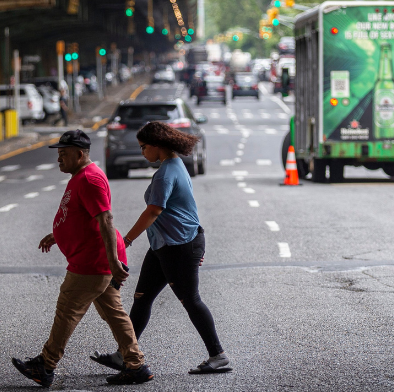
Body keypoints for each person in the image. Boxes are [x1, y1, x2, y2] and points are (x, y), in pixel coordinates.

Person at [12, 130, 154, 387]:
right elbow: (82, 215)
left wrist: (112, 261)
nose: (59, 159)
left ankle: (45, 365)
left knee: (67, 310)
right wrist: (58, 233)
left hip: (92, 262)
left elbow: (106, 219)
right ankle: (136, 365)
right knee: (114, 313)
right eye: (58, 154)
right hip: (94, 259)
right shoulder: (80, 176)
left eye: (63, 154)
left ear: (79, 154)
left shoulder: (90, 179)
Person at [90, 121, 232, 375]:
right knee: (141, 298)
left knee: (191, 300)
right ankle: (125, 354)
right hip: (164, 245)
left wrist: (127, 240)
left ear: (158, 145)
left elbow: (154, 210)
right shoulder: (172, 166)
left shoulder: (168, 172)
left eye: (144, 147)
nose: (143, 152)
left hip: (178, 246)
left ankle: (218, 355)